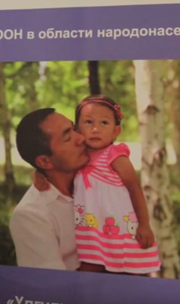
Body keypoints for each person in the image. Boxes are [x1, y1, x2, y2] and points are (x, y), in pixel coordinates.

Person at [66, 94, 161, 274]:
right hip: (89, 233)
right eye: (88, 122)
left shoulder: (115, 156)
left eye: (104, 123)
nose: (95, 129)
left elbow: (135, 189)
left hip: (116, 233)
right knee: (88, 273)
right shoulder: (77, 156)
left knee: (122, 276)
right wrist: (39, 175)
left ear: (116, 131)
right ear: (77, 129)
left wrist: (144, 224)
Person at [9, 108, 89, 271]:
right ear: (45, 161)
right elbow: (52, 288)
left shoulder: (95, 176)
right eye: (68, 137)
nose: (81, 138)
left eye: (74, 129)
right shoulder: (31, 216)